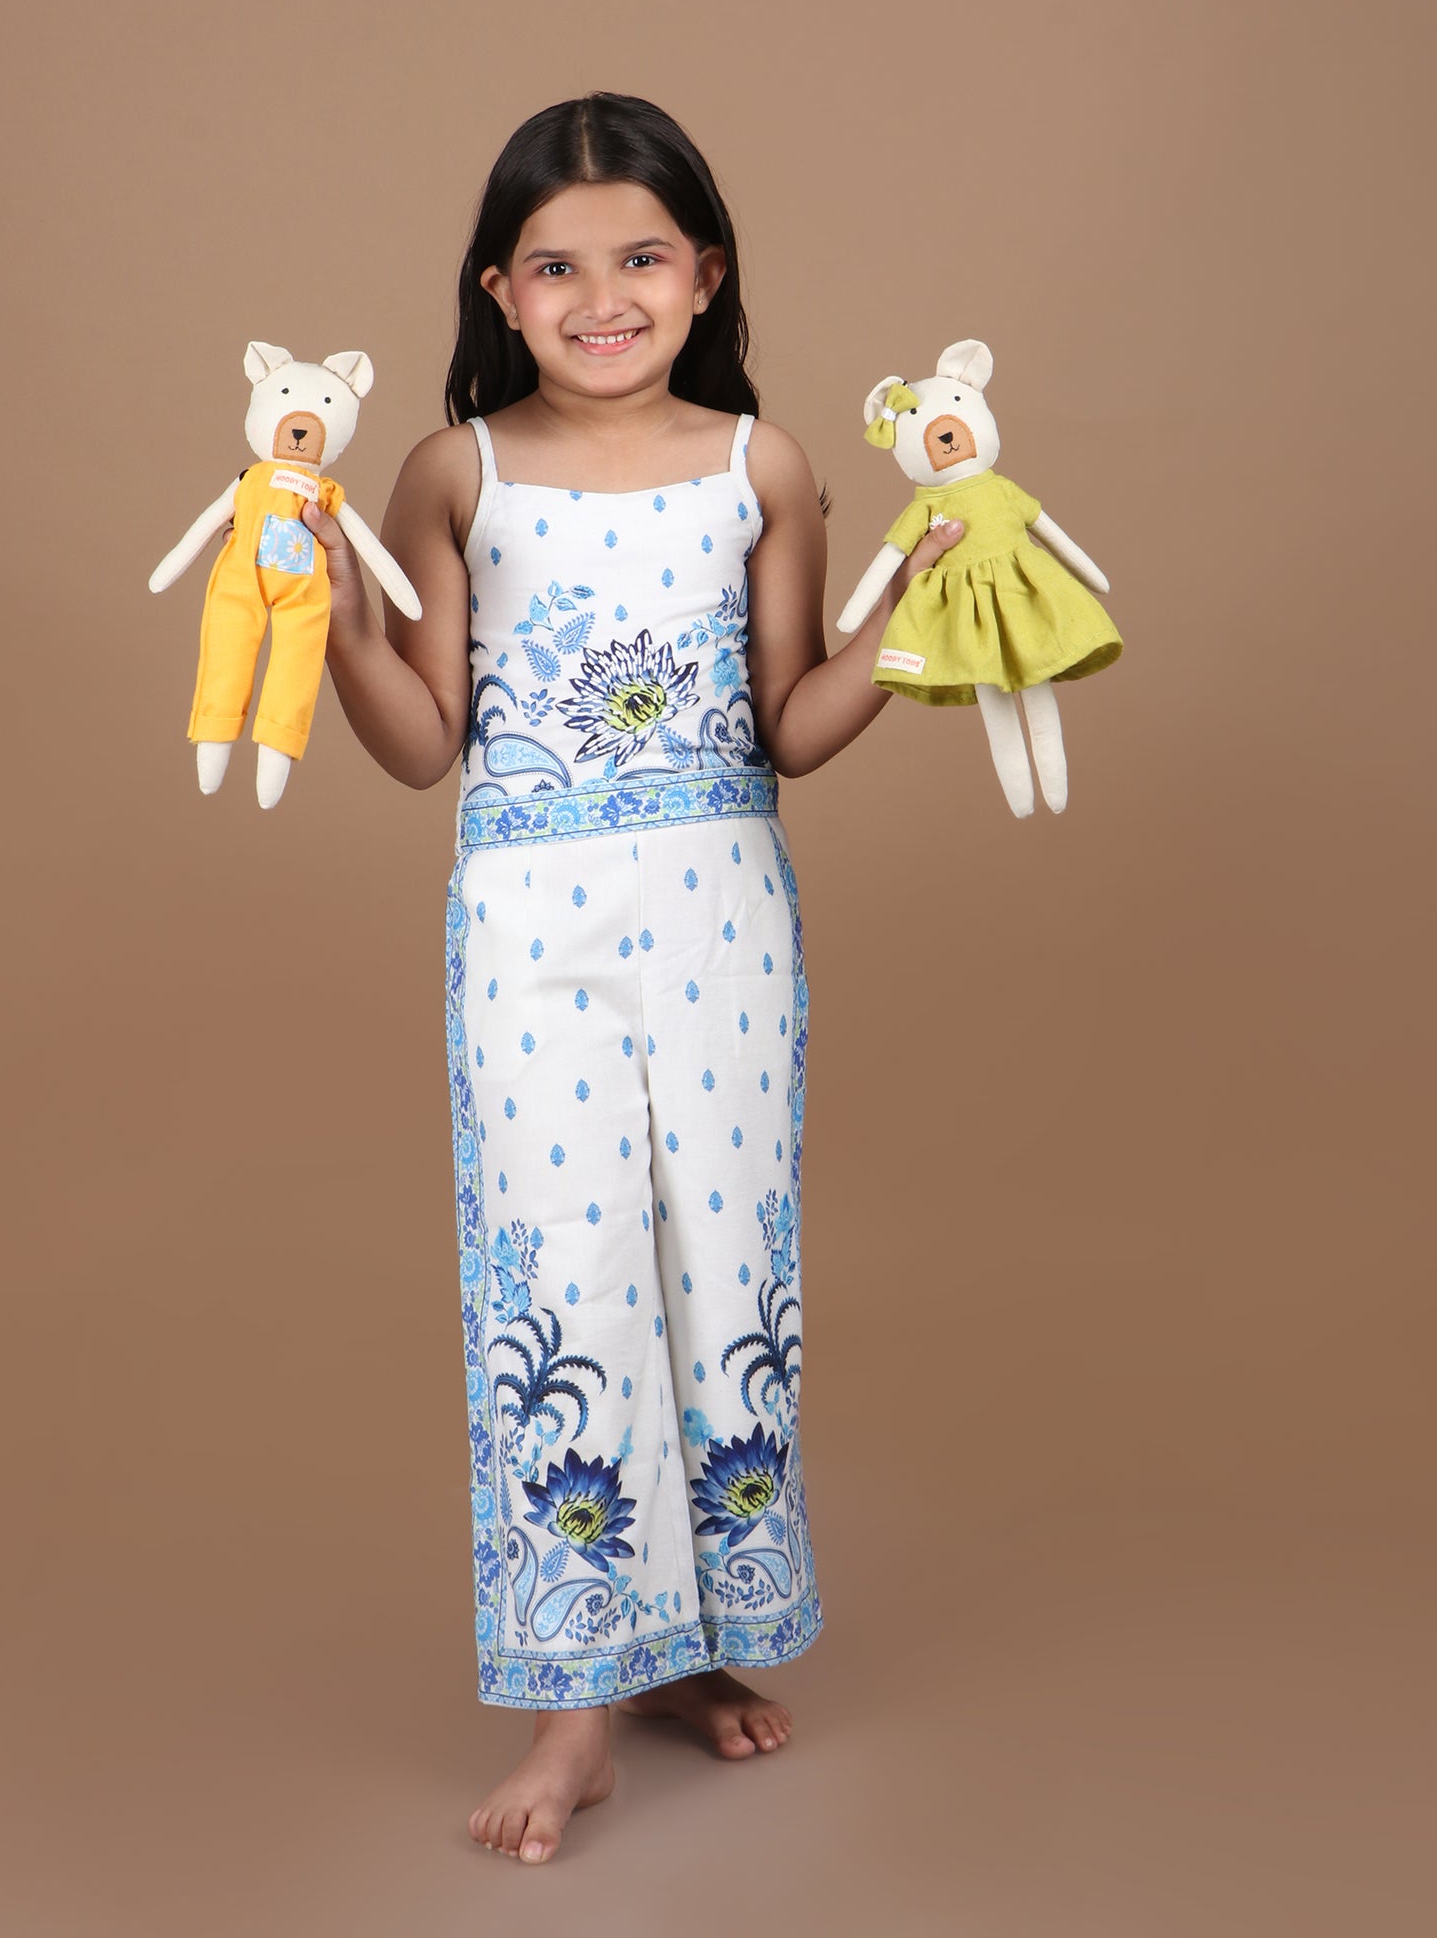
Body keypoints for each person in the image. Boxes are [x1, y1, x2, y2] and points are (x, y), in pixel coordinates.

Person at [301, 92, 965, 1865]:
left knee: (721, 1254)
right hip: (530, 920)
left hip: (724, 911)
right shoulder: (458, 472)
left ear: (704, 274)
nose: (604, 296)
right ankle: (578, 1691)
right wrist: (339, 620)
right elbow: (421, 743)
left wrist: (914, 613)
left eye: (642, 257)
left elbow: (791, 724)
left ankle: (697, 1640)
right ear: (500, 292)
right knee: (563, 1255)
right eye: (558, 267)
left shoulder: (765, 464)